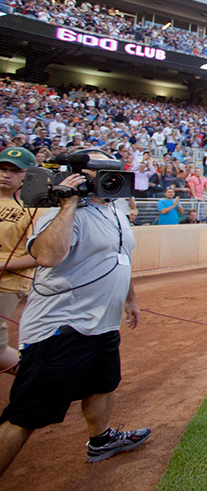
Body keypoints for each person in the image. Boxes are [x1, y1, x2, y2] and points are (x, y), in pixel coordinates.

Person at [0, 149, 149, 474]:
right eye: (101, 170)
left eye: (114, 169)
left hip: (103, 325)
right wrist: (67, 204)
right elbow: (48, 256)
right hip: (61, 329)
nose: (112, 176)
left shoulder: (117, 212)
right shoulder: (63, 213)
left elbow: (119, 257)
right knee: (26, 414)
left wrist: (130, 298)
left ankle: (101, 441)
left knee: (103, 384)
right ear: (80, 175)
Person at [0, 148, 38, 375]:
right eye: (3, 169)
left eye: (15, 171)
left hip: (7, 282)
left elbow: (40, 255)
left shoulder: (33, 207)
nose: (6, 175)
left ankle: (37, 379)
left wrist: (4, 266)